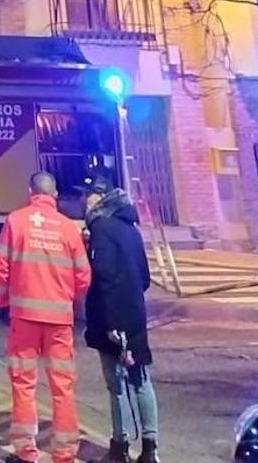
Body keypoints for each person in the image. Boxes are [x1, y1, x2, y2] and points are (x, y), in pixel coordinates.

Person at [0, 170, 92, 463]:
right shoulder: (68, 228)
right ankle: (64, 453)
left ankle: (26, 451)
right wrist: (68, 299)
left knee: (23, 383)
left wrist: (2, 299)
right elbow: (83, 275)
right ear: (55, 195)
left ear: (30, 192)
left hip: (23, 318)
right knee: (63, 386)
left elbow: (0, 267)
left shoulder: (16, 221)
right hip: (59, 321)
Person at [83, 180, 160, 463]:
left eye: (89, 200)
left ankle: (120, 446)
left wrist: (113, 323)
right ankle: (150, 449)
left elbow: (103, 276)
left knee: (116, 386)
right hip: (136, 316)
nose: (85, 205)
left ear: (101, 202)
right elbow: (144, 277)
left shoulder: (101, 229)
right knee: (141, 381)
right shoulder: (131, 229)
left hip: (111, 318)